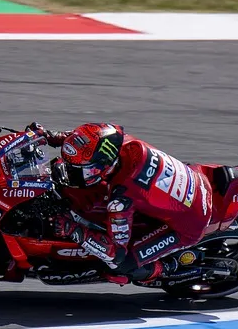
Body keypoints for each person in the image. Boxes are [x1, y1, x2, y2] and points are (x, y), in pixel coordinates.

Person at [26, 121, 214, 285]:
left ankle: (169, 267)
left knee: (120, 266)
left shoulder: (121, 201)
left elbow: (115, 251)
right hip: (193, 182)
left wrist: (73, 230)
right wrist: (49, 136)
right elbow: (85, 141)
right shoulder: (119, 142)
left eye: (80, 170)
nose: (70, 171)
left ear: (104, 166)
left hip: (190, 224)